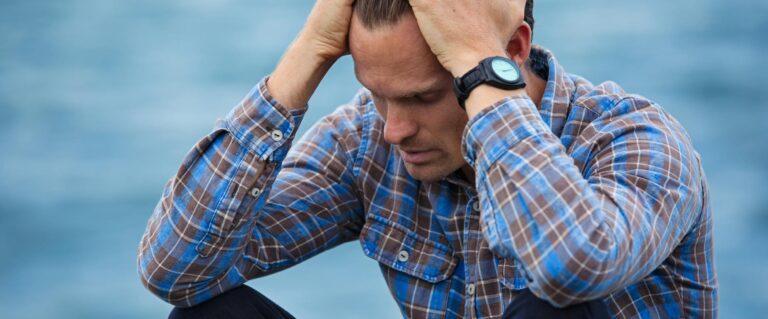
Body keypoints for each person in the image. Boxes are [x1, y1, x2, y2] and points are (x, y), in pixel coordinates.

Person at [137, 0, 717, 318]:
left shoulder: (636, 140)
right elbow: (176, 270)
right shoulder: (369, 140)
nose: (393, 128)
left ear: (512, 50)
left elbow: (572, 266)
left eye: (420, 96)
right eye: (375, 92)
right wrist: (308, 54)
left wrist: (481, 68)